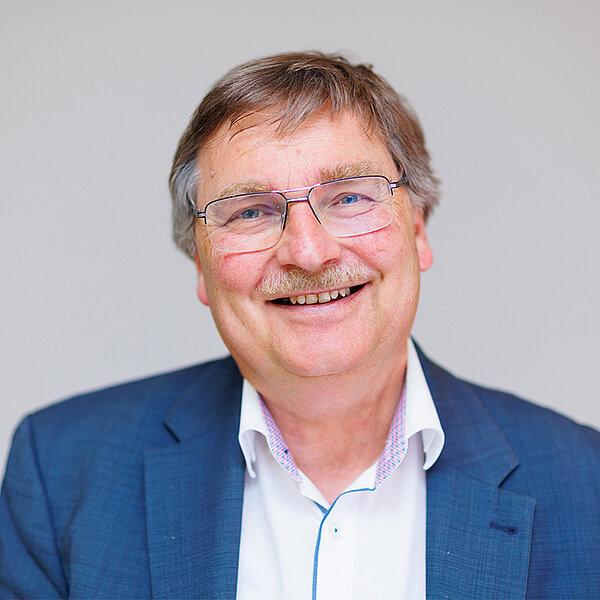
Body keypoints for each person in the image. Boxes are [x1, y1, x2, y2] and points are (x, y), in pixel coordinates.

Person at [1, 52, 598, 600]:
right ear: (201, 266)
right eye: (251, 212)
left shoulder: (585, 482)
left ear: (417, 230)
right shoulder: (60, 470)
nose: (308, 253)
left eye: (350, 198)